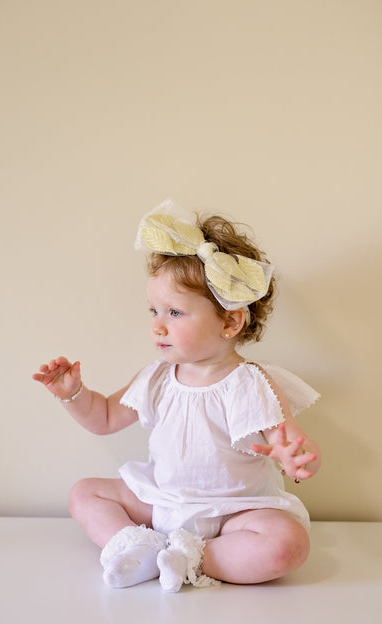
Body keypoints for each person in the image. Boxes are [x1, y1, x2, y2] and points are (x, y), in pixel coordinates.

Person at [33, 199, 321, 592]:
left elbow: (292, 441)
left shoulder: (249, 383)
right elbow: (105, 417)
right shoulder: (157, 378)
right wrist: (74, 394)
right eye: (153, 311)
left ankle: (193, 558)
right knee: (84, 493)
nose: (158, 326)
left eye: (174, 313)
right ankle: (138, 546)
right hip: (162, 502)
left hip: (234, 513)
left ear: (230, 321)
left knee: (287, 544)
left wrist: (297, 457)